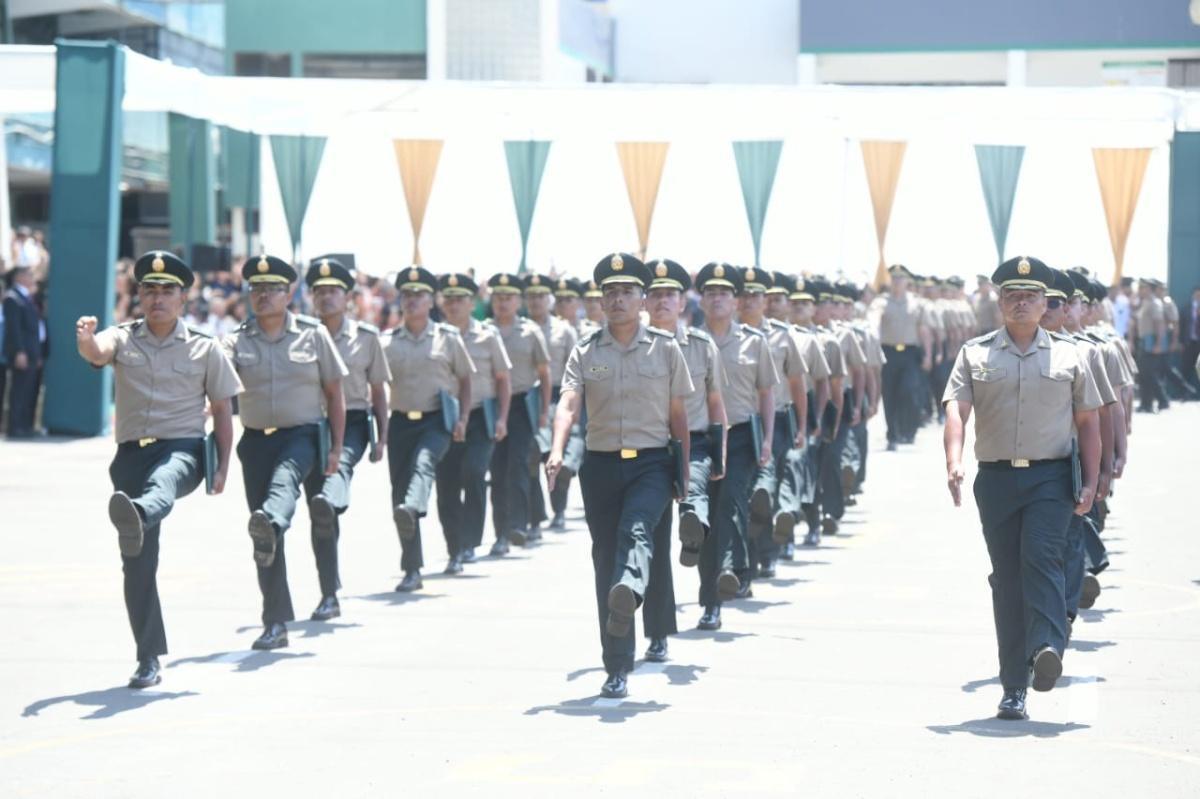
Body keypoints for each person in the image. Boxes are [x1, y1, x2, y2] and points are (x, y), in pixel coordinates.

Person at [943, 255, 1102, 722]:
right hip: (995, 480)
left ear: (1044, 303)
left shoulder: (1071, 356)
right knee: (1007, 581)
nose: (1021, 303)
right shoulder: (975, 353)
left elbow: (1088, 422)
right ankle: (1014, 686)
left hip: (1050, 478)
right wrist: (953, 460)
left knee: (1042, 557)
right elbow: (957, 409)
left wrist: (1091, 481)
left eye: (1030, 297)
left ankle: (1048, 645)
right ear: (999, 301)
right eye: (1012, 295)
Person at [75, 251, 241, 688]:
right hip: (131, 456)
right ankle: (148, 657)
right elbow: (97, 351)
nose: (157, 299)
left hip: (182, 451)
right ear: (140, 296)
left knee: (163, 482)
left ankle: (142, 512)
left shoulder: (205, 348)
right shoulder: (124, 337)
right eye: (149, 290)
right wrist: (87, 340)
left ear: (183, 298)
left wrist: (223, 467)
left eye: (167, 291)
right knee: (138, 565)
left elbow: (223, 411)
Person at [545, 252, 693, 698]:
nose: (618, 300)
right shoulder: (586, 350)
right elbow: (569, 403)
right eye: (609, 293)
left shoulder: (666, 350)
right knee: (604, 560)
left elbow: (679, 414)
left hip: (651, 462)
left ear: (643, 300)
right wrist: (556, 450)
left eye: (627, 292)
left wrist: (684, 475)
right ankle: (617, 665)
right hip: (601, 465)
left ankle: (636, 590)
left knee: (638, 535)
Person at [223, 254, 348, 650]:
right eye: (256, 289)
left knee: (299, 502)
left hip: (304, 436)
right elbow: (217, 391)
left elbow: (335, 394)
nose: (263, 296)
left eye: (272, 289)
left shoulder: (314, 335)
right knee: (263, 534)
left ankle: (329, 591)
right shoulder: (235, 341)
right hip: (256, 440)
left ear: (289, 293)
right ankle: (275, 622)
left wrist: (337, 451)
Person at [644, 257, 728, 662]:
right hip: (649, 448)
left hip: (695, 444)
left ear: (683, 303)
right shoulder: (634, 346)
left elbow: (716, 403)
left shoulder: (701, 345)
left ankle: (711, 601)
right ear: (645, 303)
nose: (662, 302)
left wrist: (722, 453)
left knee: (701, 520)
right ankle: (658, 632)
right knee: (656, 543)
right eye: (655, 295)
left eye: (669, 296)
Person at [303, 257, 391, 620]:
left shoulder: (366, 339)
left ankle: (332, 493)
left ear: (348, 298)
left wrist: (382, 436)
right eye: (320, 292)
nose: (326, 298)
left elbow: (378, 390)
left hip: (353, 421)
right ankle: (329, 591)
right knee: (320, 516)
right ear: (311, 297)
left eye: (334, 292)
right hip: (309, 423)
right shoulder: (301, 335)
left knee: (337, 472)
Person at [694, 262, 778, 628]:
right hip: (699, 438)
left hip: (742, 436)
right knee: (702, 519)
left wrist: (769, 441)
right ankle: (721, 583)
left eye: (724, 293)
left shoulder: (754, 342)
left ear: (735, 301)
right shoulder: (687, 343)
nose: (717, 299)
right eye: (710, 293)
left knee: (729, 501)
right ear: (701, 300)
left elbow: (767, 394)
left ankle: (725, 577)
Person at [382, 266, 474, 592]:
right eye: (406, 295)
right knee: (400, 497)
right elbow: (376, 388)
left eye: (419, 294)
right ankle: (412, 569)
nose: (412, 300)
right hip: (401, 423)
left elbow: (465, 380)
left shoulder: (447, 338)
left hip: (438, 420)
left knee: (432, 472)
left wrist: (462, 418)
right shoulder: (388, 341)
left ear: (430, 299)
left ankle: (455, 551)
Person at [434, 271, 512, 571]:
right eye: (449, 299)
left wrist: (503, 418)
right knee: (447, 483)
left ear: (472, 303)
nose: (454, 305)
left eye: (460, 300)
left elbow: (502, 379)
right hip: (442, 416)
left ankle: (469, 541)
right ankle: (454, 547)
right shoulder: (436, 335)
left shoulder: (487, 336)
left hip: (480, 416)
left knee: (475, 471)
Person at [737, 267, 807, 581]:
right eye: (745, 294)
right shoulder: (726, 335)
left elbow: (797, 384)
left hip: (775, 422)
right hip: (738, 422)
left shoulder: (782, 335)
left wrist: (802, 426)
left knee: (767, 491)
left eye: (756, 295)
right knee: (743, 495)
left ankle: (768, 553)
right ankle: (746, 560)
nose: (749, 300)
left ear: (765, 301)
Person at [485, 272, 550, 553]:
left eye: (508, 297)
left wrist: (544, 411)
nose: (503, 303)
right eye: (498, 297)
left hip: (523, 405)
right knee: (497, 470)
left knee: (520, 465)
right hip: (491, 406)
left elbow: (545, 374)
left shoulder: (530, 332)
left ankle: (519, 525)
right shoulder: (484, 330)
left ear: (518, 301)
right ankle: (501, 533)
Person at [525, 273, 579, 533]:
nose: (536, 301)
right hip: (527, 398)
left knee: (552, 456)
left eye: (540, 296)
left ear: (549, 299)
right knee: (530, 454)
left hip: (559, 395)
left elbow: (576, 369)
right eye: (531, 296)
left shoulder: (563, 330)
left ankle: (558, 510)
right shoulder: (521, 328)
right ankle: (535, 516)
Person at [869, 265, 932, 450]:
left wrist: (928, 354)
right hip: (887, 353)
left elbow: (924, 330)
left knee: (910, 391)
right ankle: (892, 435)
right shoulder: (881, 301)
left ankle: (909, 429)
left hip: (910, 353)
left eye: (900, 278)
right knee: (889, 395)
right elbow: (874, 319)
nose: (897, 281)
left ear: (907, 281)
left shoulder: (916, 303)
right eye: (894, 278)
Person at [3, 266, 46, 437]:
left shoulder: (28, 297)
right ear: (19, 277)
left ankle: (26, 425)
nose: (32, 278)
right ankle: (15, 427)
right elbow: (14, 328)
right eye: (29, 275)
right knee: (19, 390)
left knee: (29, 390)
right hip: (23, 352)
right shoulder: (12, 298)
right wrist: (19, 351)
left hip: (33, 351)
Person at [1134, 278, 1168, 413]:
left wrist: (1159, 343)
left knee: (1149, 374)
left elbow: (1159, 324)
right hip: (1143, 341)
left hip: (1151, 342)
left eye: (1143, 287)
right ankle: (1146, 403)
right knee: (1143, 374)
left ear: (1149, 289)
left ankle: (1162, 400)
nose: (1140, 290)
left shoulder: (1155, 303)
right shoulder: (1145, 302)